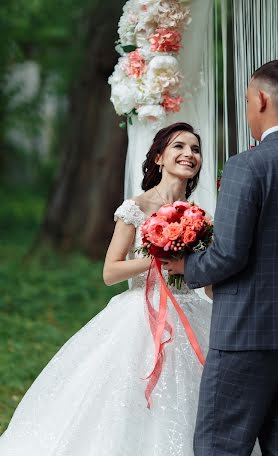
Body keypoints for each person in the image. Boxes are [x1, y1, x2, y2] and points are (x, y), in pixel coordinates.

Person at [165, 60, 278, 456]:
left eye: (248, 100)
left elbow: (228, 255)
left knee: (220, 445)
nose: (248, 109)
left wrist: (185, 266)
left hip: (248, 331)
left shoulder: (246, 166)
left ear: (261, 100)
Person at [0, 122, 213, 456]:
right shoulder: (136, 208)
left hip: (190, 312)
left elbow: (205, 276)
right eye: (179, 147)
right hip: (142, 314)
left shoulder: (200, 218)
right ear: (159, 157)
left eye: (195, 149)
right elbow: (110, 271)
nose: (189, 154)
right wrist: (158, 257)